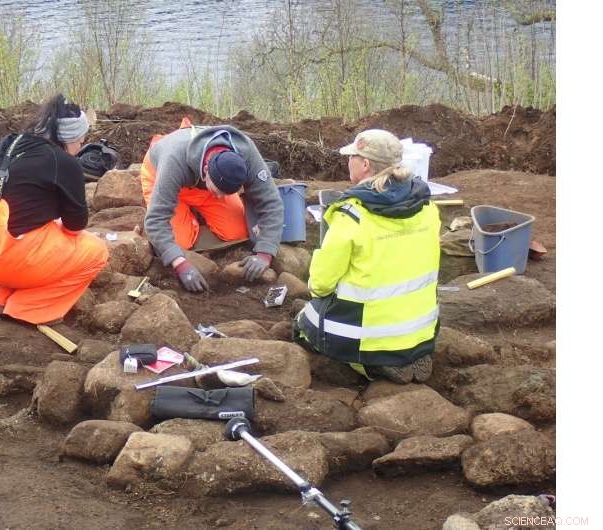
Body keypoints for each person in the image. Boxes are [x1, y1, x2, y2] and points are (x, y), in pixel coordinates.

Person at [293, 129, 440, 384]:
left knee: (305, 324)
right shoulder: (427, 206)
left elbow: (321, 282)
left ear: (365, 164)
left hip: (371, 335)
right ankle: (409, 356)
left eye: (352, 157)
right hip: (422, 330)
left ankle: (374, 366)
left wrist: (317, 295)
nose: (348, 161)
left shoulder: (352, 215)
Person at [0, 94, 108, 325]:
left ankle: (0, 297)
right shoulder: (64, 163)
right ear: (68, 139)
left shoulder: (7, 143)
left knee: (18, 227)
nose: (81, 148)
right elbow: (75, 225)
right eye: (80, 142)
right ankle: (26, 309)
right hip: (7, 258)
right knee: (96, 251)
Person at [140, 118, 284, 292]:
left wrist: (266, 252)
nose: (220, 197)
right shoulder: (173, 161)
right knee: (179, 244)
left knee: (238, 231)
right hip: (162, 175)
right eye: (218, 192)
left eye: (225, 194)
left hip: (202, 184)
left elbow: (272, 203)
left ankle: (195, 211)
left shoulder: (247, 154)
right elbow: (156, 220)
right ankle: (185, 215)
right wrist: (179, 264)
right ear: (207, 170)